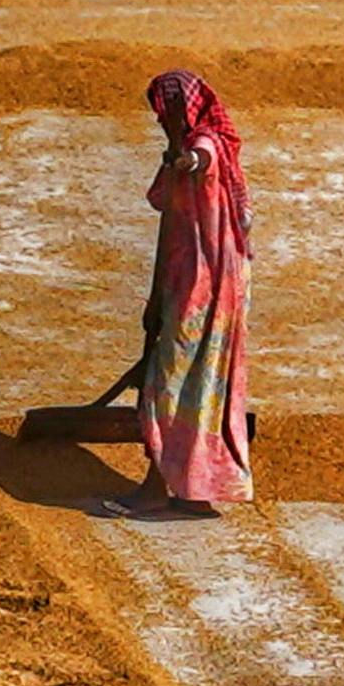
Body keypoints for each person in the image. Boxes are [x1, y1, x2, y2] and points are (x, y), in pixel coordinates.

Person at [119, 67, 255, 517]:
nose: (160, 119)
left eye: (164, 111)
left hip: (205, 284)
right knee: (197, 384)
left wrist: (183, 153)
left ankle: (157, 488)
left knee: (168, 383)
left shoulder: (208, 146)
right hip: (198, 279)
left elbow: (198, 159)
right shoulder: (186, 147)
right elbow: (162, 196)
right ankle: (194, 490)